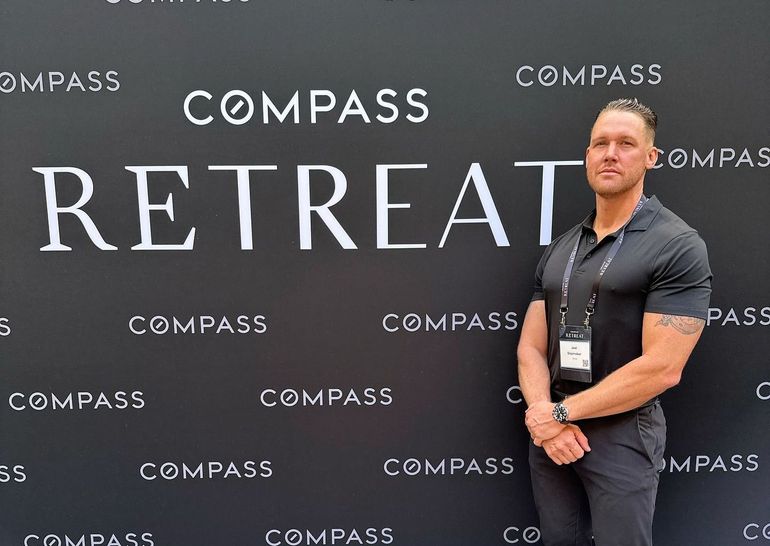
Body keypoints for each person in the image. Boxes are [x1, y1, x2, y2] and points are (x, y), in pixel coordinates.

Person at [517, 98, 712, 546]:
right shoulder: (563, 246)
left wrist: (562, 414)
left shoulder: (676, 245)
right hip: (552, 432)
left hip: (622, 433)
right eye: (600, 143)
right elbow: (530, 345)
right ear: (587, 155)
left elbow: (664, 367)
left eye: (626, 144)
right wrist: (545, 418)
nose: (610, 153)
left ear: (650, 157)